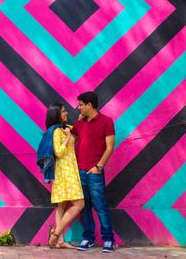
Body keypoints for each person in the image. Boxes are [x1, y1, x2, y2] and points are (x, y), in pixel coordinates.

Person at [71, 92, 115, 253]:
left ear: (89, 105)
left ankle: (108, 240)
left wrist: (99, 166)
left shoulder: (107, 121)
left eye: (81, 104)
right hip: (80, 171)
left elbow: (110, 147)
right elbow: (71, 138)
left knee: (100, 206)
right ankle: (88, 238)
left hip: (94, 172)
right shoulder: (80, 123)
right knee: (84, 207)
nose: (78, 107)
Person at [44, 103, 85, 248]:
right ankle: (55, 234)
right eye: (63, 111)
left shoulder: (65, 128)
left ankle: (60, 241)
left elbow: (79, 132)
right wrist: (68, 138)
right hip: (64, 172)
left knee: (61, 206)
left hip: (69, 170)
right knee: (79, 204)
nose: (66, 113)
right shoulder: (55, 132)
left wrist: (79, 122)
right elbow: (59, 152)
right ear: (56, 114)